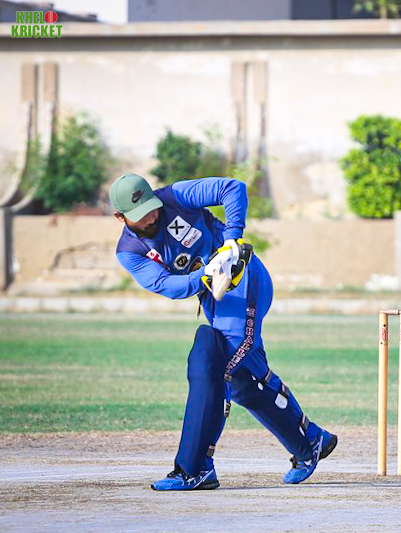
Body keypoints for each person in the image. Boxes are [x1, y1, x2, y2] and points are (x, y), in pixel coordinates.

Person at [109, 173, 337, 490]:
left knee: (214, 368)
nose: (151, 216)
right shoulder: (129, 251)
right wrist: (206, 274)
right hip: (214, 296)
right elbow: (164, 284)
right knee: (243, 380)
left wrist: (231, 239)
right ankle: (310, 441)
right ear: (120, 217)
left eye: (151, 207)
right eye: (140, 214)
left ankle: (195, 466)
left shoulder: (174, 197)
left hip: (244, 281)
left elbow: (231, 188)